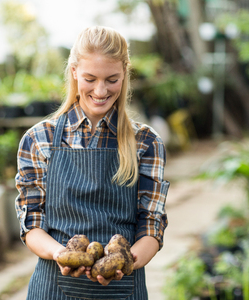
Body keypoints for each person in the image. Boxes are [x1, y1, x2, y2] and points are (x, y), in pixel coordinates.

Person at [15, 26, 170, 299]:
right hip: (54, 287)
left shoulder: (146, 143)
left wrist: (128, 261)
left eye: (112, 79)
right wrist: (60, 253)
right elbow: (32, 225)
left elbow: (151, 225)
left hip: (123, 287)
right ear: (74, 71)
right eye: (90, 78)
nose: (100, 90)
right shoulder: (40, 139)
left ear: (125, 74)